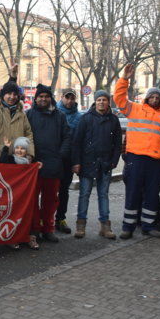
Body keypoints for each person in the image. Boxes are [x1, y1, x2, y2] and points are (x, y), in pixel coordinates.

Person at [115, 64, 160, 239]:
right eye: (152, 96)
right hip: (136, 158)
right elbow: (119, 98)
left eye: (157, 96)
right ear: (147, 97)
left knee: (151, 195)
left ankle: (149, 226)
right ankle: (128, 227)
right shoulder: (134, 109)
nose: (155, 99)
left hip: (156, 162)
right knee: (133, 193)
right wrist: (125, 78)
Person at [71, 90, 121, 239]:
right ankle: (81, 226)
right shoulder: (85, 119)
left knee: (103, 195)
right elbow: (77, 142)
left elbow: (118, 143)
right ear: (95, 102)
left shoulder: (113, 120)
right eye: (99, 100)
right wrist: (76, 162)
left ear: (108, 102)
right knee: (84, 194)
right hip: (87, 163)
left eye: (104, 100)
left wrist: (114, 161)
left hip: (105, 164)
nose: (101, 102)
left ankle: (105, 227)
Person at [27, 84, 71, 245]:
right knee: (32, 200)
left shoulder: (60, 116)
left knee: (51, 200)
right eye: (40, 96)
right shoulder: (29, 115)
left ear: (50, 98)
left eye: (46, 96)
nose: (43, 99)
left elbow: (67, 136)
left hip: (54, 164)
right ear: (36, 98)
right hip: (34, 165)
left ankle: (48, 229)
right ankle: (35, 229)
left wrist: (61, 155)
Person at [55, 88, 83, 234]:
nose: (70, 100)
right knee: (50, 190)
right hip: (54, 158)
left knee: (63, 191)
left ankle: (60, 218)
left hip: (68, 159)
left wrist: (76, 161)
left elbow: (78, 142)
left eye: (72, 98)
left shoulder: (79, 117)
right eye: (67, 97)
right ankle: (44, 219)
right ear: (62, 97)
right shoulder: (53, 112)